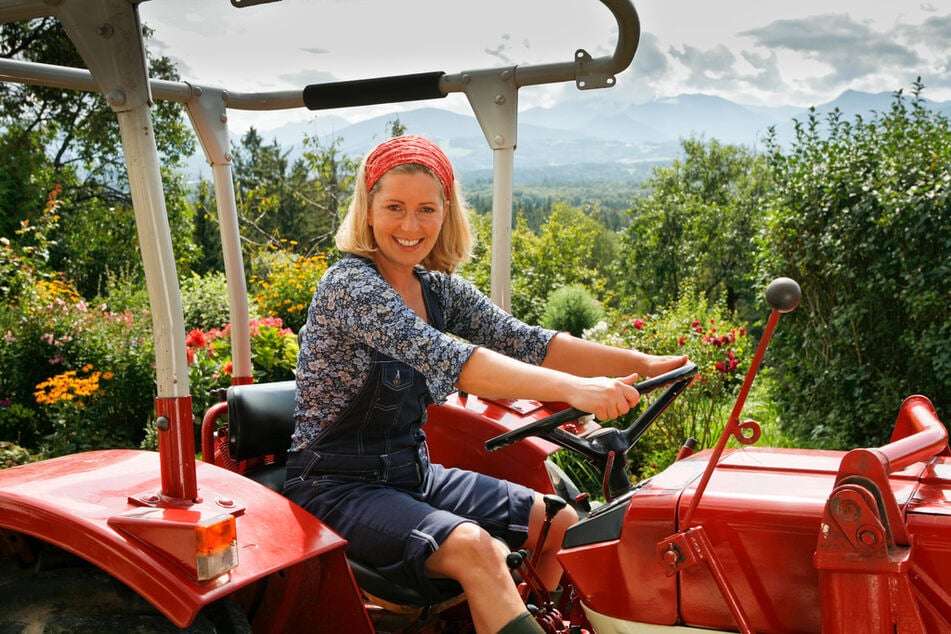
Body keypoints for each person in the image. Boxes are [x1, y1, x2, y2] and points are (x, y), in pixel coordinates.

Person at [283, 134, 689, 634]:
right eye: (394, 207)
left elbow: (527, 341)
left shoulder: (438, 288)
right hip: (336, 486)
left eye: (426, 209)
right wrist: (577, 389)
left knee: (558, 523)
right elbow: (454, 359)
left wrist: (644, 363)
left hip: (413, 473)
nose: (411, 226)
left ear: (446, 213)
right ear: (368, 211)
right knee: (475, 549)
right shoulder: (350, 286)